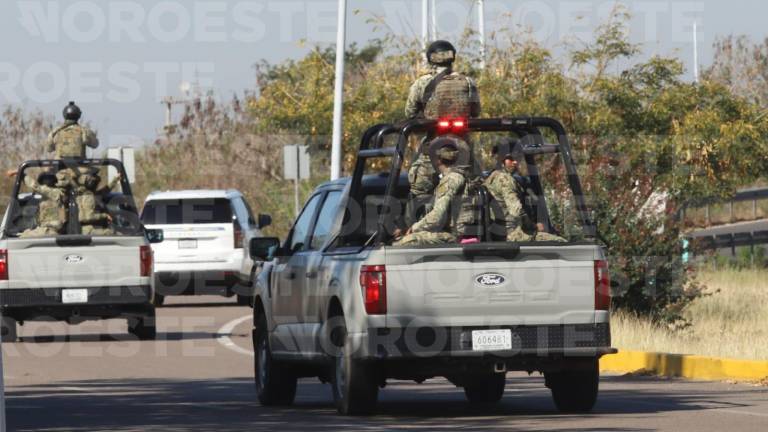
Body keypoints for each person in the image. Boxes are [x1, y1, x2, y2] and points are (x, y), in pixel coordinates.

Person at [405, 41, 481, 222]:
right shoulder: (468, 82)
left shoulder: (422, 83)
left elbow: (409, 113)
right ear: (452, 57)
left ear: (431, 59)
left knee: (419, 190)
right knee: (471, 188)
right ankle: (468, 229)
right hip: (461, 148)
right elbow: (476, 111)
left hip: (433, 147)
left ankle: (416, 227)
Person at [485, 142, 566, 242]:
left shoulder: (491, 177)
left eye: (517, 158)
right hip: (512, 235)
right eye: (511, 159)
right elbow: (516, 211)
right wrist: (534, 226)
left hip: (499, 234)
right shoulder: (505, 179)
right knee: (560, 241)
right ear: (501, 159)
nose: (515, 162)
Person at [395, 139, 467, 246]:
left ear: (437, 160)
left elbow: (436, 217)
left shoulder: (451, 179)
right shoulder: (458, 176)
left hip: (453, 235)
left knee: (404, 242)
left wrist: (413, 228)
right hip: (455, 232)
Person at [18, 171, 69, 238]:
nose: (44, 184)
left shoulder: (55, 193)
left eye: (46, 181)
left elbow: (35, 186)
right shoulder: (48, 197)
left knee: (23, 237)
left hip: (50, 231)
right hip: (46, 230)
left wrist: (23, 175)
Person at [74, 168, 120, 235]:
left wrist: (116, 179)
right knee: (112, 233)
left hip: (91, 229)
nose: (96, 183)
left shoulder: (90, 194)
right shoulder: (88, 197)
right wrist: (105, 216)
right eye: (94, 181)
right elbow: (88, 217)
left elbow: (105, 190)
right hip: (89, 230)